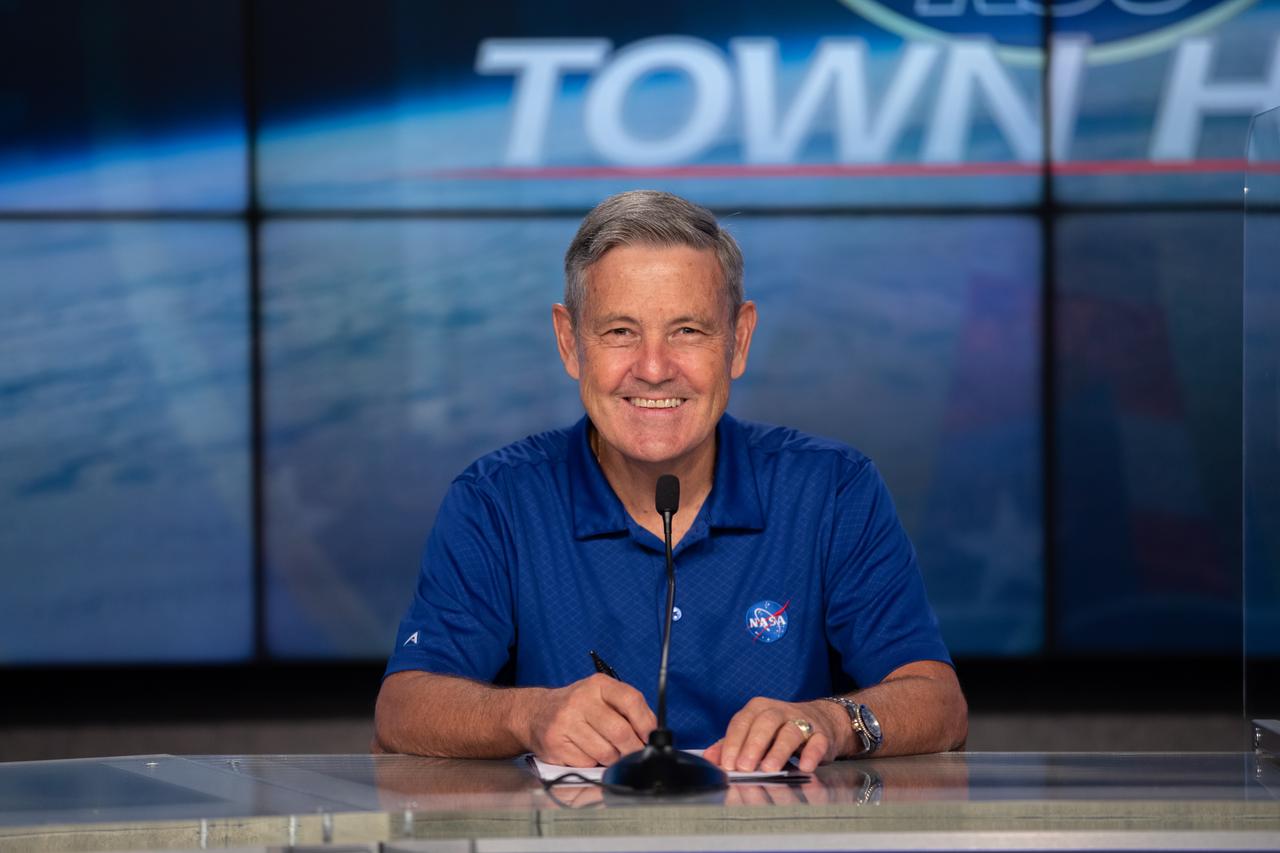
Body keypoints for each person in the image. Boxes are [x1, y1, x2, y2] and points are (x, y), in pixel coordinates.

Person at [374, 190, 967, 773]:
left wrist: (832, 722)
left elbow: (939, 704)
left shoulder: (832, 488)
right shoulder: (497, 499)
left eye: (687, 331)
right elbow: (402, 711)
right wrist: (530, 715)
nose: (654, 369)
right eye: (620, 331)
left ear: (738, 340)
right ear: (569, 343)